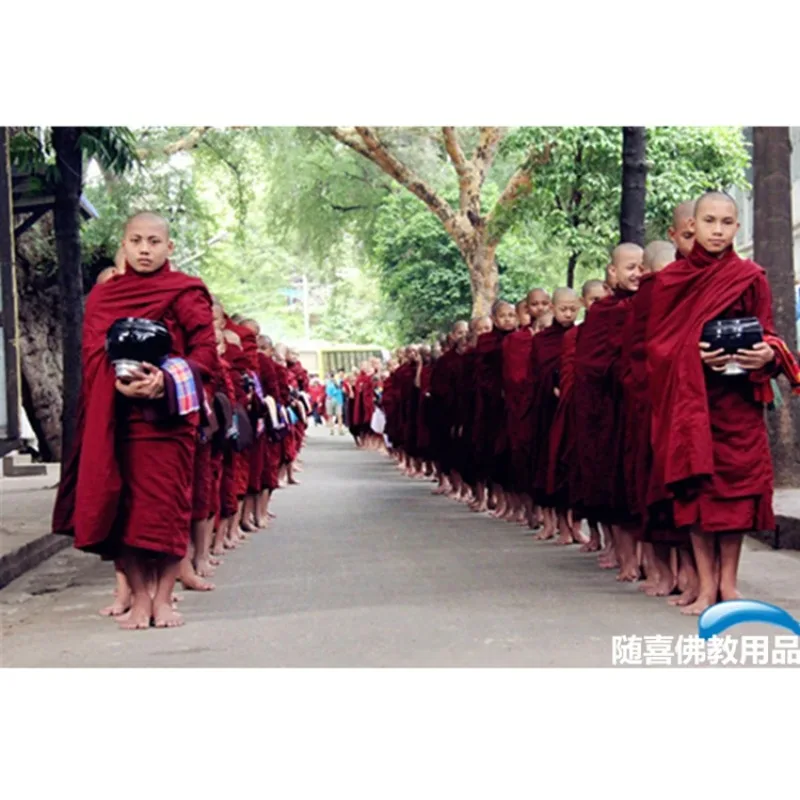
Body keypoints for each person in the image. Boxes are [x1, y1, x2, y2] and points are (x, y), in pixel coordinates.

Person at [52, 211, 219, 630]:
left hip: (165, 423)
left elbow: (205, 354)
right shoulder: (104, 297)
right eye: (137, 241)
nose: (145, 249)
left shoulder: (186, 292)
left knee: (164, 511)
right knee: (120, 510)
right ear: (123, 246)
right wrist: (118, 382)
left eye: (154, 242)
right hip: (115, 421)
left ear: (169, 248)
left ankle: (164, 598)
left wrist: (164, 380)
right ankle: (139, 599)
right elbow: (91, 355)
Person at [647, 191, 780, 615]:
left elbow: (770, 332)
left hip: (737, 403)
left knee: (736, 495)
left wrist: (769, 354)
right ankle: (706, 587)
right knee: (698, 494)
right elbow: (657, 349)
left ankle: (729, 585)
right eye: (709, 221)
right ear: (694, 228)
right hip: (692, 406)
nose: (718, 230)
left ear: (737, 227)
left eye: (726, 222)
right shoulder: (671, 281)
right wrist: (693, 354)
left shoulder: (750, 276)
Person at [574, 243, 644, 580]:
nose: (637, 273)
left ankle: (648, 560)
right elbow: (588, 364)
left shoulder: (654, 305)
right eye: (629, 267)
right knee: (616, 485)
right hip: (609, 409)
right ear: (612, 272)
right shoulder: (602, 314)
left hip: (643, 407)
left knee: (643, 488)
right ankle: (625, 556)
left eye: (642, 267)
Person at [546, 279, 610, 552]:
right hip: (570, 411)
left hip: (603, 410)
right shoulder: (573, 337)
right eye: (592, 300)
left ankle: (604, 540)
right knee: (574, 473)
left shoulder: (609, 328)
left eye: (602, 298)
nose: (598, 304)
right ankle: (580, 529)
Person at [529, 288, 587, 545]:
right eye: (563, 308)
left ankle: (576, 526)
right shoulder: (542, 340)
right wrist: (550, 387)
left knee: (575, 469)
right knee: (553, 469)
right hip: (548, 411)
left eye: (573, 309)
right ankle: (560, 525)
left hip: (575, 409)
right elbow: (535, 374)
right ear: (552, 308)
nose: (567, 313)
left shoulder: (583, 335)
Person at [471, 302, 516, 518]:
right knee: (496, 456)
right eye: (503, 316)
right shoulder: (487, 342)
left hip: (516, 405)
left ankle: (516, 506)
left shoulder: (520, 339)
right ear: (495, 319)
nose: (508, 320)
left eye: (511, 315)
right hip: (493, 407)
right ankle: (501, 501)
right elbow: (482, 373)